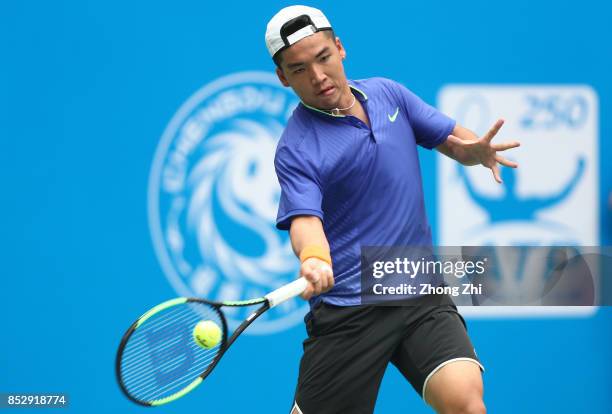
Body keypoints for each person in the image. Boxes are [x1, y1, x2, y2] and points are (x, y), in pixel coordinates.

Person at [265, 5, 520, 414]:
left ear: (340, 48)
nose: (317, 76)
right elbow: (305, 221)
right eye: (299, 70)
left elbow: (454, 140)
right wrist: (313, 258)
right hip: (349, 310)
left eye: (323, 58)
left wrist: (477, 151)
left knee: (466, 402)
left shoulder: (388, 93)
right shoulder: (297, 148)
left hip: (418, 289)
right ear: (282, 77)